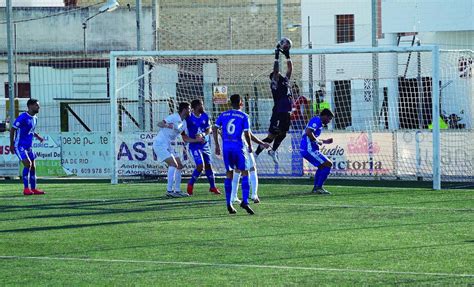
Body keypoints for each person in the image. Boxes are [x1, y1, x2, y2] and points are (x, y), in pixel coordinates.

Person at [213, 94, 255, 215]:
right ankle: (245, 201)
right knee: (245, 172)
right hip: (238, 147)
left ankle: (229, 203)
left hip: (226, 148)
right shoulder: (244, 116)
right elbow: (247, 133)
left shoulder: (223, 115)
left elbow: (215, 128)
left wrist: (217, 145)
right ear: (241, 102)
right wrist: (250, 146)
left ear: (230, 103)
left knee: (229, 174)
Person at [153, 102, 204, 198]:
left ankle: (177, 190)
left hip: (168, 145)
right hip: (160, 143)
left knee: (179, 165)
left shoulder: (184, 123)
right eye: (189, 109)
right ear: (184, 110)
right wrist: (169, 125)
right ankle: (169, 190)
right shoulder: (174, 117)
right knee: (173, 164)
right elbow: (159, 123)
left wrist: (196, 140)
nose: (190, 110)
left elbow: (185, 138)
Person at [255, 42, 293, 164]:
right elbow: (276, 71)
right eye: (276, 75)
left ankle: (273, 151)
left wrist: (287, 55)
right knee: (271, 137)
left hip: (287, 112)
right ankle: (255, 154)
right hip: (278, 112)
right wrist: (276, 57)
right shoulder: (275, 83)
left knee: (283, 134)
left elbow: (290, 69)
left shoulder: (285, 81)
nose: (279, 74)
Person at [9, 98, 45, 195]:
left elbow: (31, 131)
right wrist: (11, 144)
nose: (38, 107)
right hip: (19, 146)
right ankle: (26, 189)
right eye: (36, 105)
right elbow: (12, 129)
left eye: (38, 105)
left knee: (33, 166)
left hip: (29, 146)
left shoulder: (35, 118)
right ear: (30, 106)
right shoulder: (23, 117)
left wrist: (38, 137)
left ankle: (33, 189)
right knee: (28, 164)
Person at [185, 99, 221, 196]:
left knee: (209, 166)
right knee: (200, 166)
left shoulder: (205, 116)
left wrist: (203, 134)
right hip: (194, 146)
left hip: (205, 145)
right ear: (196, 107)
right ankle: (190, 184)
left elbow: (209, 129)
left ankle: (212, 187)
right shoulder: (189, 118)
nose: (203, 107)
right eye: (201, 105)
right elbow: (183, 130)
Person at [300, 108, 335, 194]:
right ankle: (318, 187)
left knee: (322, 166)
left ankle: (317, 188)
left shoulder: (318, 122)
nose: (329, 121)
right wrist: (316, 141)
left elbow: (311, 136)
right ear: (325, 116)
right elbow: (308, 132)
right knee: (328, 163)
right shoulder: (317, 120)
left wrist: (325, 141)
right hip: (309, 149)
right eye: (329, 118)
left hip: (308, 148)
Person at [230, 132, 270, 204]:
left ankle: (233, 196)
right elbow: (248, 134)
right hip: (242, 147)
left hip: (231, 147)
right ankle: (254, 195)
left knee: (237, 170)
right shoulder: (243, 120)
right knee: (252, 168)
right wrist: (262, 143)